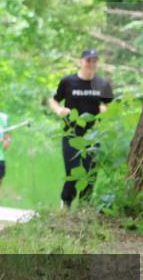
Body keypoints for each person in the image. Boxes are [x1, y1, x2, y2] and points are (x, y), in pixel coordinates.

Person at [49, 48, 114, 208]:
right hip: (71, 134)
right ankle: (66, 201)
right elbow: (54, 100)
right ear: (81, 62)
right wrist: (59, 110)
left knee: (90, 171)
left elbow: (111, 105)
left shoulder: (102, 84)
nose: (91, 64)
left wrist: (105, 110)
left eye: (94, 61)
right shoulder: (68, 81)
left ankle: (85, 206)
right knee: (73, 171)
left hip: (93, 135)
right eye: (88, 61)